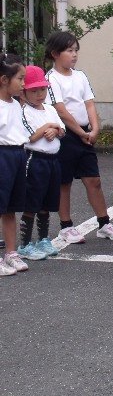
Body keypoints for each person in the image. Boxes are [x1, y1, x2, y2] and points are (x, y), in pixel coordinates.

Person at [44, 31, 113, 244]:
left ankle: (104, 223)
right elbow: (60, 110)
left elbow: (89, 103)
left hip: (85, 133)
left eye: (76, 51)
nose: (74, 55)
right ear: (55, 54)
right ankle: (66, 226)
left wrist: (95, 128)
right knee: (64, 182)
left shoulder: (80, 76)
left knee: (94, 180)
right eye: (69, 51)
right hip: (65, 135)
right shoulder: (51, 79)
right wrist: (81, 133)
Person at [17, 66, 66, 261]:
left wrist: (56, 130)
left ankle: (44, 239)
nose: (39, 94)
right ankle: (25, 244)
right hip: (35, 160)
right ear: (24, 92)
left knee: (48, 201)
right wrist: (48, 126)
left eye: (42, 90)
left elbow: (61, 130)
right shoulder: (24, 111)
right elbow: (30, 136)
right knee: (32, 201)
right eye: (34, 90)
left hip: (53, 161)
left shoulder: (51, 109)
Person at [0, 54, 29, 275]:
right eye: (20, 78)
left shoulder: (17, 105)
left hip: (17, 155)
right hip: (2, 156)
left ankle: (11, 253)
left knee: (10, 209)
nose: (23, 84)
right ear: (4, 80)